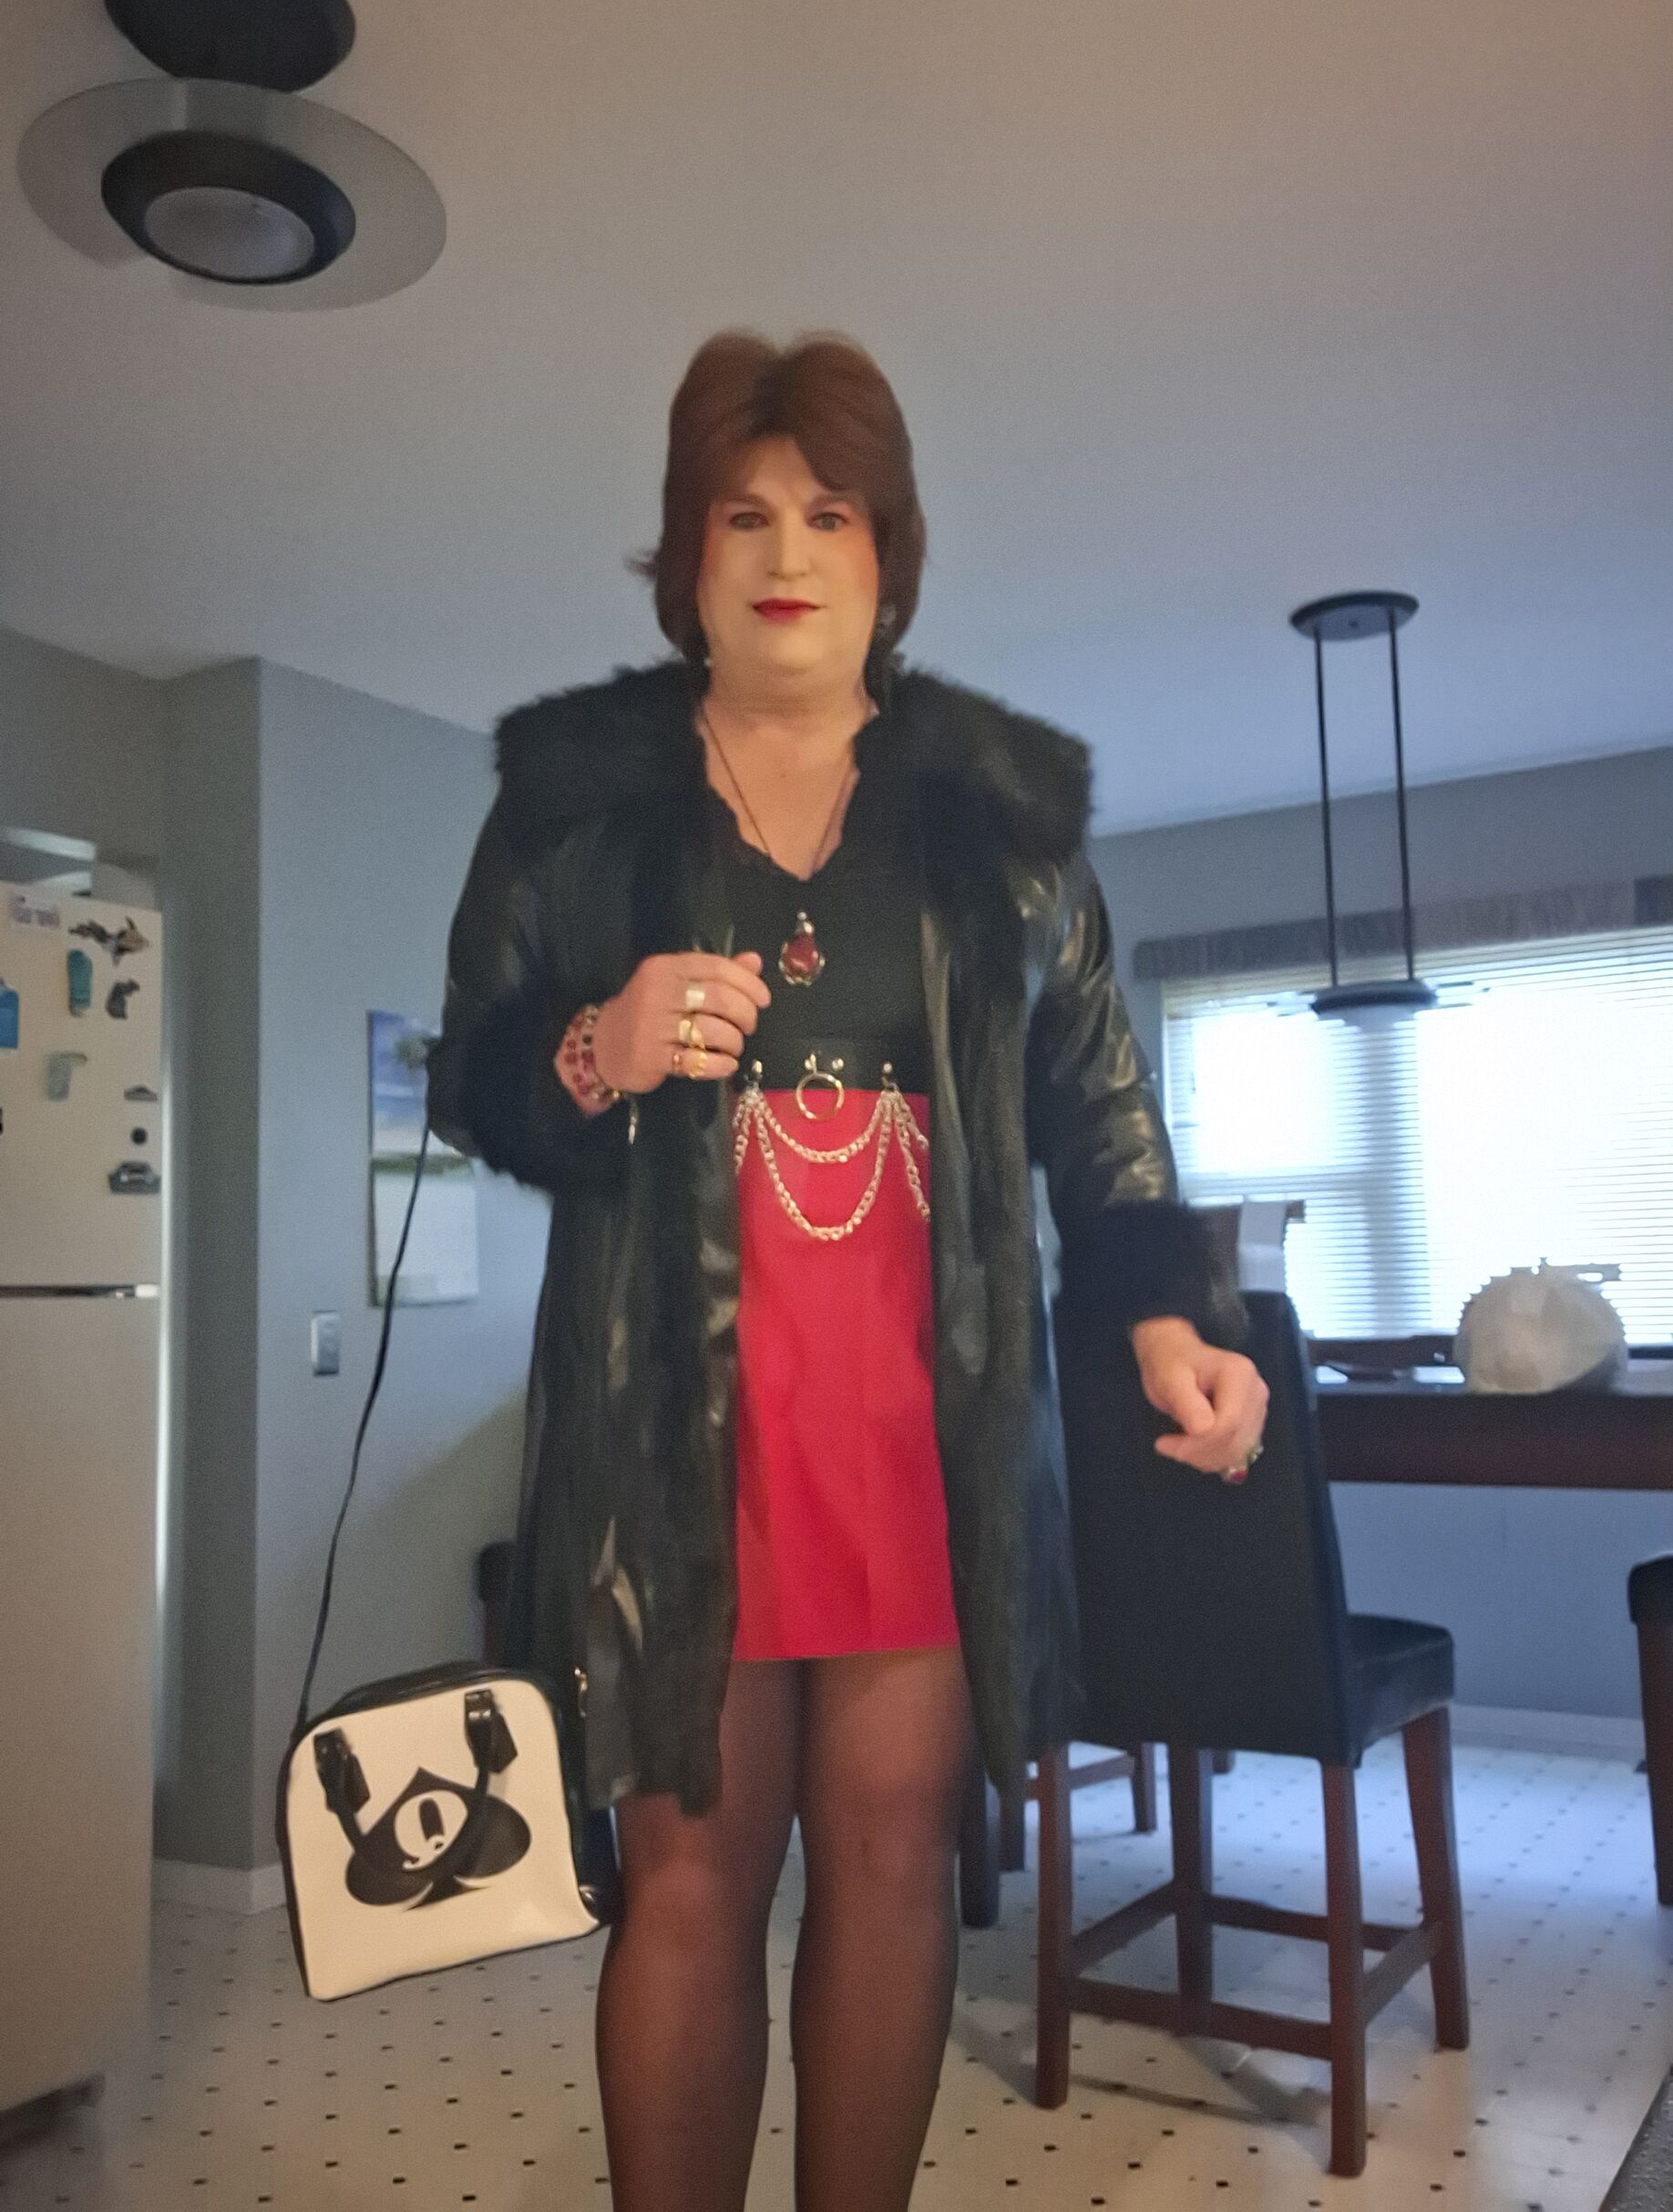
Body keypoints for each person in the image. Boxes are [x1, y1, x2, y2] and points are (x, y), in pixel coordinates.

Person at [426, 329, 1268, 2212]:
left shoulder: (1005, 819)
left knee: (891, 1862)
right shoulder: (571, 805)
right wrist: (596, 1047)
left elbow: (1099, 1107)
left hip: (925, 1406)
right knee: (689, 1872)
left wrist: (1165, 1319)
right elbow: (470, 1070)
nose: (788, 552)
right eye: (744, 515)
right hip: (670, 1408)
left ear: (890, 554)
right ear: (687, 556)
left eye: (831, 513)